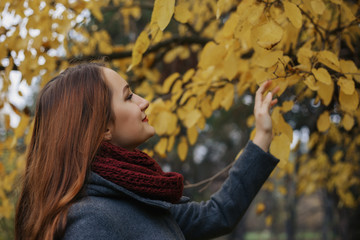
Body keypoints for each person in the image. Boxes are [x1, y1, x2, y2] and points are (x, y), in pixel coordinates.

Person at [15, 62, 279, 240]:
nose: (144, 102)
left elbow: (217, 215)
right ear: (102, 128)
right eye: (129, 97)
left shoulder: (133, 197)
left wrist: (263, 134)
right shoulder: (89, 223)